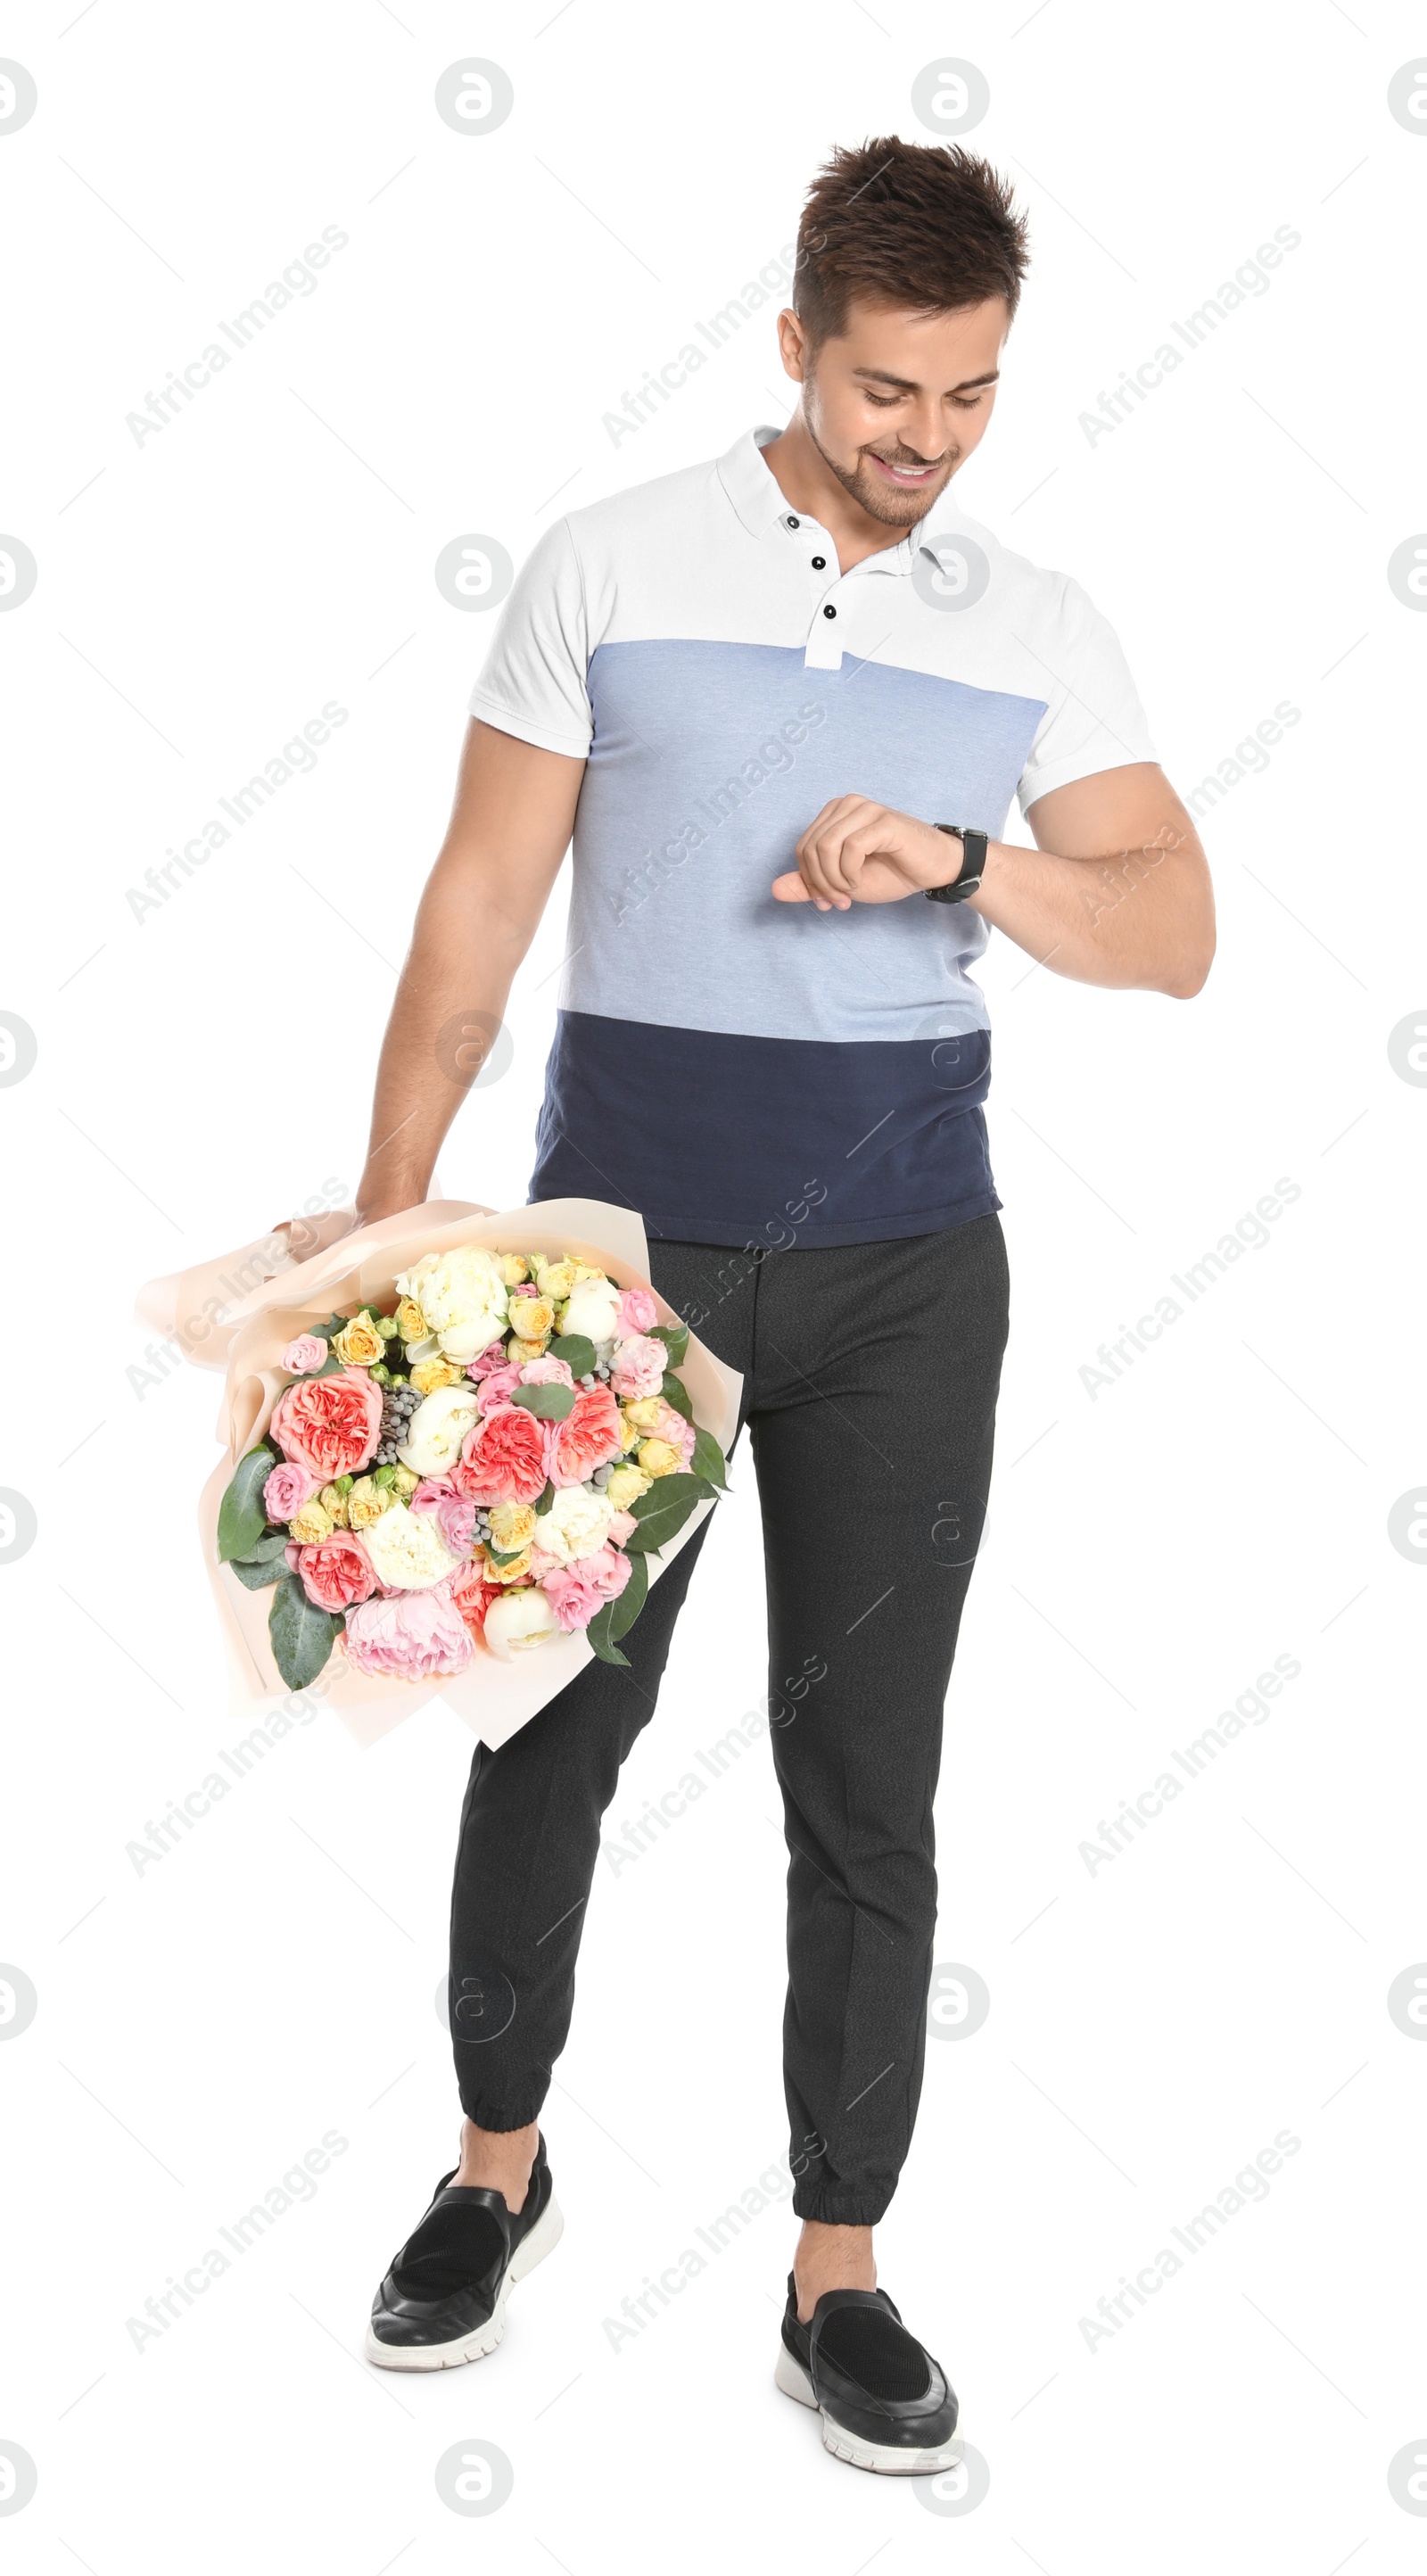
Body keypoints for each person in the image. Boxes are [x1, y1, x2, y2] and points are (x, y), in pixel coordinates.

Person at [349, 137, 1214, 2471]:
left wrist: (961, 856)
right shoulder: (608, 565)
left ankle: (841, 2264)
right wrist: (384, 1236)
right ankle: (494, 2171)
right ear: (794, 341)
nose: (924, 438)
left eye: (972, 395)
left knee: (872, 1778)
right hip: (612, 1272)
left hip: (914, 1278)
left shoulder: (1038, 620)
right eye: (884, 387)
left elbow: (1175, 930)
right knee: (552, 1733)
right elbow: (473, 918)